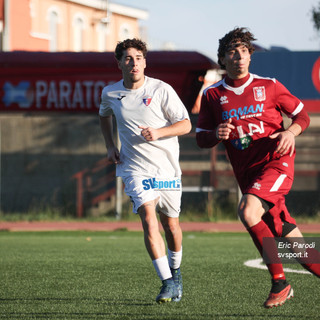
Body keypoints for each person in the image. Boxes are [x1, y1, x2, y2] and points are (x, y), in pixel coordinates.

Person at [196, 27, 320, 308]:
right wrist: (216, 133)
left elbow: (302, 115)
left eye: (243, 50)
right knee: (296, 246)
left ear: (250, 56)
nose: (238, 56)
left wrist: (290, 133)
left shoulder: (270, 85)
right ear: (223, 60)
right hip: (249, 175)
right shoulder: (213, 95)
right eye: (232, 51)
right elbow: (201, 137)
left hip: (277, 164)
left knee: (247, 210)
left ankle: (280, 283)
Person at [99, 38, 191, 303]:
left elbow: (185, 125)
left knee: (171, 225)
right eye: (128, 58)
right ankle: (166, 283)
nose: (134, 62)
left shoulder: (161, 90)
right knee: (149, 219)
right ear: (119, 64)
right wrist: (109, 145)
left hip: (166, 170)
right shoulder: (111, 93)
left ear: (145, 62)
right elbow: (103, 115)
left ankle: (175, 273)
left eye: (139, 57)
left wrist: (159, 132)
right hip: (134, 169)